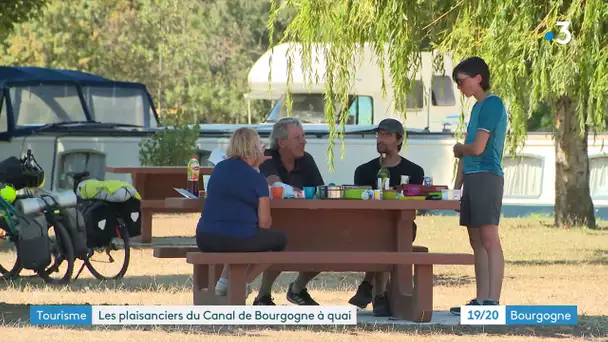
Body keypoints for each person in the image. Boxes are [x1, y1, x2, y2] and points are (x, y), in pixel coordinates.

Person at [196, 127, 288, 298]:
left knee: (239, 236)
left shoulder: (219, 169)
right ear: (255, 149)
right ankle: (241, 283)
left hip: (205, 237)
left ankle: (224, 283)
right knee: (278, 241)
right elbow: (264, 223)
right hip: (238, 238)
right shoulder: (257, 178)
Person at [348, 118, 425, 316]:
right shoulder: (364, 171)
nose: (381, 139)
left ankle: (369, 286)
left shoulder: (415, 171)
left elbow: (419, 204)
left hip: (403, 225)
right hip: (369, 226)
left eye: (387, 135)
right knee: (383, 235)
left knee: (392, 233)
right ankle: (379, 295)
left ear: (399, 141)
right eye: (379, 134)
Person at [449, 57, 507, 315]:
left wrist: (460, 149)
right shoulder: (475, 109)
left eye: (461, 81)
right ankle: (481, 299)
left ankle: (493, 300)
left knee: (488, 237)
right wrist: (457, 187)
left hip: (487, 175)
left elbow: (476, 148)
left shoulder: (492, 104)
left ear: (478, 78)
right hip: (472, 177)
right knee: (475, 239)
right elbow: (466, 154)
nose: (460, 87)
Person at [253, 117, 325, 306]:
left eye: (303, 136)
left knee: (328, 244)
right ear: (281, 142)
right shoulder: (267, 156)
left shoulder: (306, 160)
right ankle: (263, 296)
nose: (303, 141)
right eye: (297, 137)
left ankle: (297, 289)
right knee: (280, 243)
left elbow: (320, 191)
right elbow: (275, 185)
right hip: (272, 221)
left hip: (306, 220)